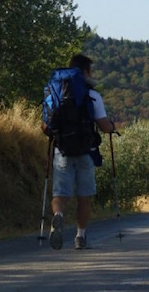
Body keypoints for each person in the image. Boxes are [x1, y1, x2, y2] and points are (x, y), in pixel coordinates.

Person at [47, 54, 116, 250]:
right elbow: (103, 126)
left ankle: (58, 217)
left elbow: (46, 126)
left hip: (62, 151)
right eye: (90, 71)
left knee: (60, 194)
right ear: (85, 72)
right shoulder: (92, 95)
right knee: (84, 196)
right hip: (85, 151)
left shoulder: (55, 92)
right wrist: (111, 126)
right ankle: (80, 237)